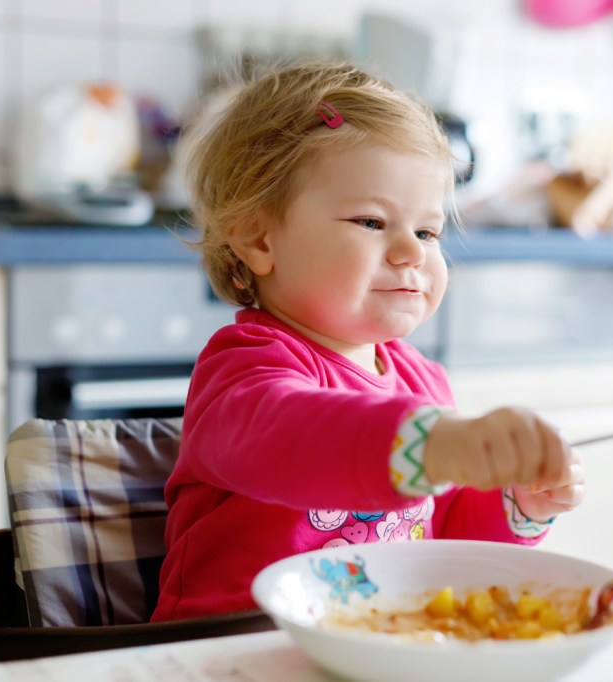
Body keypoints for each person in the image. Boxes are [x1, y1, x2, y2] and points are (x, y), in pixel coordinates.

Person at [151, 61, 585, 622]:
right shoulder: (243, 369)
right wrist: (432, 445)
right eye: (372, 222)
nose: (412, 252)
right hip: (231, 651)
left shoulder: (423, 382)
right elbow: (291, 434)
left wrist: (517, 503)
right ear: (260, 238)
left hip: (370, 644)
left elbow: (442, 534)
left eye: (428, 231)